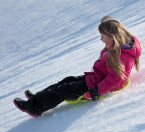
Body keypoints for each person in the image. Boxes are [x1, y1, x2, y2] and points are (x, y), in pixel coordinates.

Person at [13, 16, 142, 117]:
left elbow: (117, 79)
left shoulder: (120, 55)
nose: (101, 39)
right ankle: (37, 97)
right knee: (67, 80)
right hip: (97, 78)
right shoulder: (117, 48)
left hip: (97, 85)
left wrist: (96, 92)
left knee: (64, 90)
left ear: (113, 37)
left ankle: (35, 107)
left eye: (103, 36)